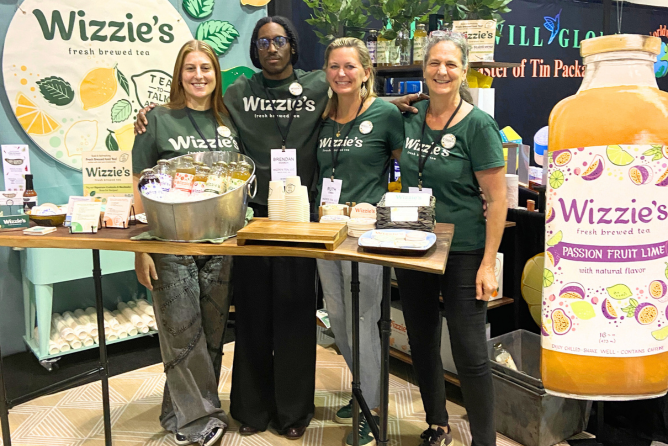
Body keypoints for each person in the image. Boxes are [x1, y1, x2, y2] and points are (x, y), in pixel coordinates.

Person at [395, 33, 507, 446]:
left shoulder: (478, 125)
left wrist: (488, 262)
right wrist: (392, 101)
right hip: (414, 245)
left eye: (451, 64)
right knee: (421, 340)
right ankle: (437, 423)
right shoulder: (410, 117)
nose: (441, 71)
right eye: (434, 63)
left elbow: (497, 199)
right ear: (423, 69)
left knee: (469, 351)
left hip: (464, 251)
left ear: (463, 71)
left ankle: (484, 440)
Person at [132, 40, 239, 446]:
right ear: (179, 74)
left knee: (210, 335)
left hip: (220, 244)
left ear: (216, 74)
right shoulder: (157, 120)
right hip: (169, 243)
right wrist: (140, 247)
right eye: (190, 68)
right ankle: (198, 422)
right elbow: (139, 186)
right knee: (180, 334)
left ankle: (176, 411)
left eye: (206, 68)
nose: (198, 76)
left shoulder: (228, 119)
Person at [314, 37, 403, 446]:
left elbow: (408, 165)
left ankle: (373, 407)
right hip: (325, 233)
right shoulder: (322, 115)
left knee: (365, 320)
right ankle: (363, 390)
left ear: (366, 71)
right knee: (339, 319)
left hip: (367, 236)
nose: (341, 74)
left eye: (350, 66)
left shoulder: (385, 114)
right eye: (334, 66)